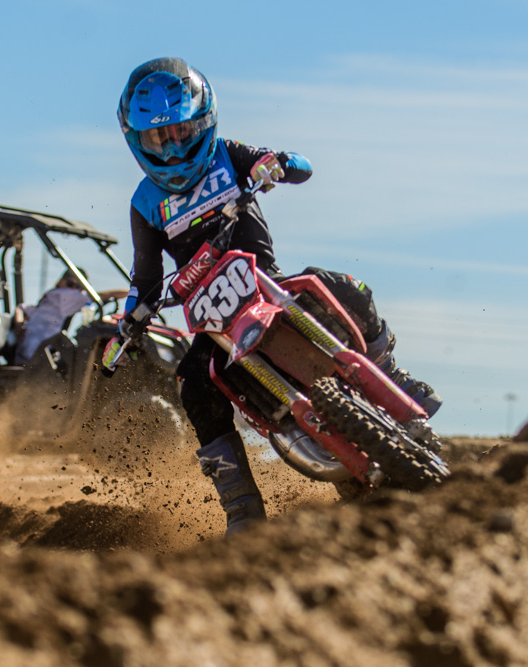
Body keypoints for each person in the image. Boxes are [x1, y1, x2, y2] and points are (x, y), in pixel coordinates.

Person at [106, 57, 441, 535]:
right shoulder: (145, 204)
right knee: (192, 384)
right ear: (137, 141)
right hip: (215, 322)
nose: (174, 146)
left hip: (268, 285)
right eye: (159, 138)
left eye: (182, 131)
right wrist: (129, 320)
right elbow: (146, 276)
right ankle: (241, 508)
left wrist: (276, 165)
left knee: (343, 286)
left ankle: (391, 375)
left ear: (204, 122)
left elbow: (297, 165)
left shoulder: (227, 154)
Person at [15, 268, 90, 365]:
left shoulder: (53, 298)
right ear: (62, 281)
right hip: (35, 357)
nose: (74, 289)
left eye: (79, 287)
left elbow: (21, 308)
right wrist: (19, 324)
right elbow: (96, 298)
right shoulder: (61, 295)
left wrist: (19, 323)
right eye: (71, 284)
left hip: (36, 354)